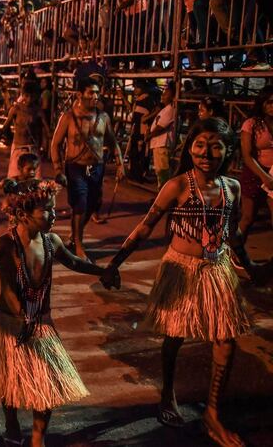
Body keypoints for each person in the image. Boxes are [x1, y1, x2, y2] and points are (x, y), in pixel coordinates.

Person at [102, 118, 272, 447]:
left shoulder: (231, 187)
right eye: (200, 144)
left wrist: (248, 265)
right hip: (180, 270)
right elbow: (145, 226)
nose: (206, 152)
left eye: (215, 146)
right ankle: (167, 393)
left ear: (228, 150)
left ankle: (212, 412)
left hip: (217, 268)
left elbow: (231, 231)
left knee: (226, 340)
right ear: (189, 146)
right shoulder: (178, 186)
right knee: (175, 336)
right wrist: (114, 264)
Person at [0, 179, 110, 447]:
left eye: (54, 209)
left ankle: (39, 437)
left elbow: (74, 262)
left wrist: (102, 271)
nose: (54, 215)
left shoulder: (52, 241)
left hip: (42, 324)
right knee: (10, 381)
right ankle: (12, 424)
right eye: (47, 210)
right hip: (10, 325)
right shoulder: (5, 243)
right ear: (22, 215)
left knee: (48, 383)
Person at [50, 77, 125, 261]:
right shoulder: (68, 117)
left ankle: (75, 237)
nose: (95, 96)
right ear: (79, 94)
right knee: (80, 203)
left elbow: (112, 141)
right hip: (75, 167)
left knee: (94, 203)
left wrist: (120, 163)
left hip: (96, 167)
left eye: (97, 93)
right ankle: (79, 245)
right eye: (91, 92)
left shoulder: (103, 117)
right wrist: (58, 169)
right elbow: (55, 144)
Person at [238, 85, 273, 240]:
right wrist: (264, 176)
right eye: (269, 102)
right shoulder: (251, 124)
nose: (272, 106)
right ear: (262, 103)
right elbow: (246, 155)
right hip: (254, 172)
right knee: (248, 218)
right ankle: (234, 252)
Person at [0, 82, 50, 180]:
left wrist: (45, 146)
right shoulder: (15, 109)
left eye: (32, 96)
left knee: (36, 182)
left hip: (33, 149)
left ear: (36, 96)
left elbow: (47, 132)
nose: (29, 99)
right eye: (26, 96)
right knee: (14, 181)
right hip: (18, 148)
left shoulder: (38, 111)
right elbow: (4, 128)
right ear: (22, 94)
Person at [145, 86, 176, 189]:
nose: (163, 96)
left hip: (162, 144)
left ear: (172, 96)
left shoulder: (170, 109)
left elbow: (160, 127)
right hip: (159, 144)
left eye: (166, 93)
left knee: (163, 173)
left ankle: (164, 197)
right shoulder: (166, 109)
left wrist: (149, 136)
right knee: (160, 172)